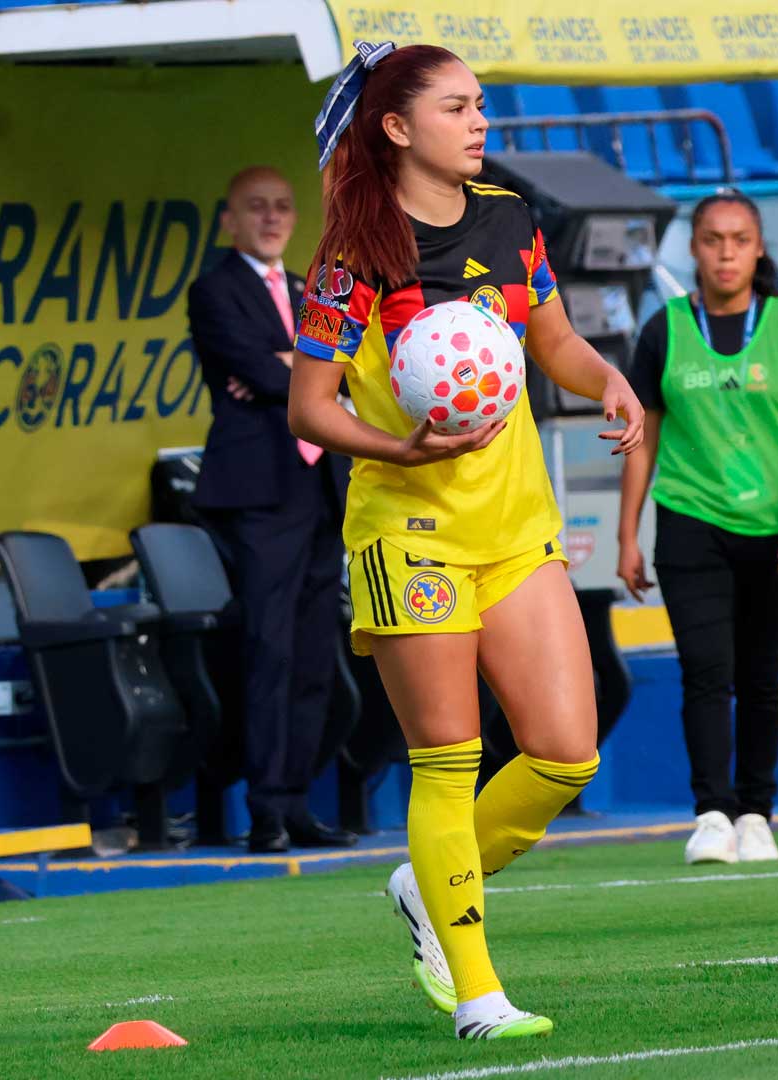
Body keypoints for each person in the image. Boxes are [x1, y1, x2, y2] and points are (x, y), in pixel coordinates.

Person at [287, 42, 645, 1040]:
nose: (481, 120)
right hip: (409, 534)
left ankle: (429, 881)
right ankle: (481, 998)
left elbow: (553, 338)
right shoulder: (354, 254)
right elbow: (308, 409)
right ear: (397, 128)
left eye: (481, 103)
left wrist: (604, 380)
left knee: (566, 755)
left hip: (515, 525)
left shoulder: (512, 217)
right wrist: (399, 443)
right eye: (457, 106)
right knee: (448, 760)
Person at [615, 191, 778, 866]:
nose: (726, 252)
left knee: (761, 675)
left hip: (772, 524)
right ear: (693, 248)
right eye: (713, 239)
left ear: (759, 247)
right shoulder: (663, 331)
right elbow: (642, 439)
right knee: (705, 671)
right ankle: (711, 813)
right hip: (690, 520)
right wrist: (627, 533)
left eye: (740, 239)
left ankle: (758, 814)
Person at [186, 166, 356, 854]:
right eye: (255, 208)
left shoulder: (309, 289)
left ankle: (297, 801)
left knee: (317, 654)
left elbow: (349, 366)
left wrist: (296, 368)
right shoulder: (214, 288)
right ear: (229, 219)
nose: (271, 217)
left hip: (322, 488)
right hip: (261, 494)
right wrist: (299, 371)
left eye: (282, 207)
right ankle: (263, 811)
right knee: (269, 651)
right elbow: (260, 373)